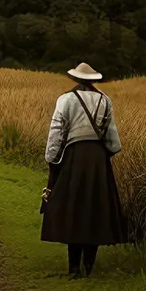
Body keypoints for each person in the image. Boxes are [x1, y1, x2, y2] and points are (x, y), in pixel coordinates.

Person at [40, 62, 128, 277]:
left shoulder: (66, 100)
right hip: (98, 160)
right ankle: (89, 268)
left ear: (76, 79)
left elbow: (56, 133)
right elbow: (114, 143)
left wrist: (52, 159)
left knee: (74, 210)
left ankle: (74, 268)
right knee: (95, 211)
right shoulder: (105, 100)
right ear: (94, 80)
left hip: (74, 158)